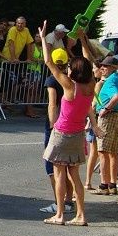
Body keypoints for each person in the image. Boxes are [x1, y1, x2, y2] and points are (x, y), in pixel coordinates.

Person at [39, 20, 101, 227]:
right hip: (78, 134)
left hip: (62, 133)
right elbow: (88, 61)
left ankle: (60, 214)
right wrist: (83, 38)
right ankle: (81, 215)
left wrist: (44, 39)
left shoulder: (69, 86)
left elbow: (48, 62)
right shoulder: (91, 85)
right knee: (75, 176)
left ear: (73, 71)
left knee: (59, 175)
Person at [40, 48, 74, 215]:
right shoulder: (70, 80)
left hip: (57, 126)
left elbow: (52, 104)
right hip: (69, 124)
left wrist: (53, 126)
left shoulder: (52, 80)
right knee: (66, 166)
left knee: (52, 166)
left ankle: (58, 202)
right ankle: (68, 200)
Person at [91, 54, 118, 196]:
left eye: (105, 66)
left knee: (103, 151)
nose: (102, 68)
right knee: (113, 152)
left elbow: (117, 96)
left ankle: (104, 185)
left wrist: (106, 109)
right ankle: (112, 184)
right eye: (102, 66)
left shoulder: (111, 80)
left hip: (109, 118)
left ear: (113, 68)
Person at [4, 16, 38, 118]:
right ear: (16, 23)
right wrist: (13, 58)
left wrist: (29, 58)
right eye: (18, 23)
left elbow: (30, 44)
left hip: (15, 60)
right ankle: (3, 102)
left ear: (25, 24)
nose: (20, 25)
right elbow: (11, 43)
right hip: (6, 59)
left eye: (22, 23)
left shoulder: (26, 30)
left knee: (16, 81)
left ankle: (9, 101)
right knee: (6, 81)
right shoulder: (13, 29)